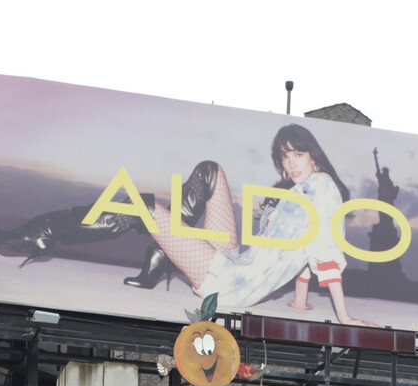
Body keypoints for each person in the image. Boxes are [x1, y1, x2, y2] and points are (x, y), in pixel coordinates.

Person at [138, 125, 371, 325]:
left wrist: (344, 317)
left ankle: (159, 252)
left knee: (144, 207)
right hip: (235, 262)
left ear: (313, 155)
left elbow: (324, 248)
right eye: (284, 157)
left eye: (297, 154)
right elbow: (303, 247)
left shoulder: (324, 186)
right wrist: (300, 302)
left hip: (231, 286)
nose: (291, 164)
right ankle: (161, 251)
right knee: (211, 171)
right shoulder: (298, 191)